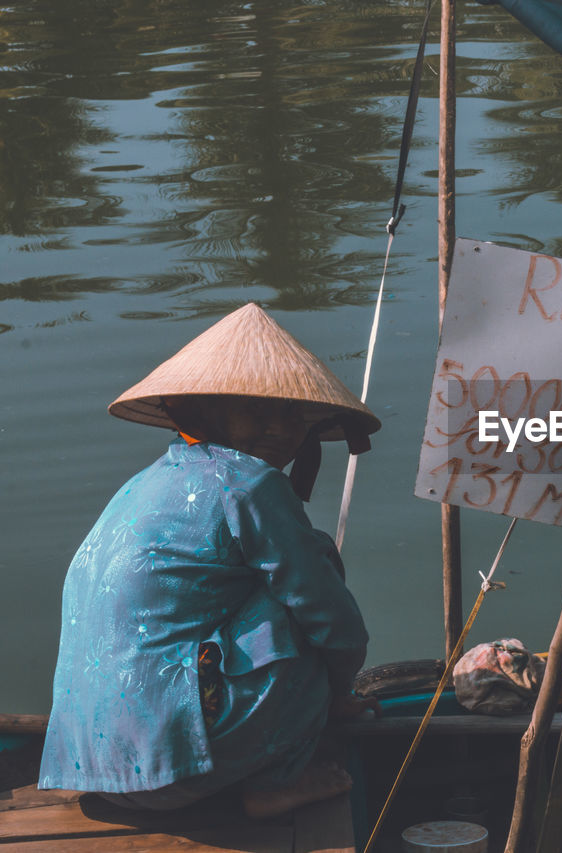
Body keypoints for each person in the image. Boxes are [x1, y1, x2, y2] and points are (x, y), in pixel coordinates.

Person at [39, 303, 382, 817]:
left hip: (87, 767)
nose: (279, 426)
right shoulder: (250, 483)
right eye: (255, 408)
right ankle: (272, 781)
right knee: (315, 580)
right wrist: (339, 690)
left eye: (291, 412)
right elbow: (333, 619)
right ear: (207, 412)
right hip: (179, 770)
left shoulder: (146, 482)